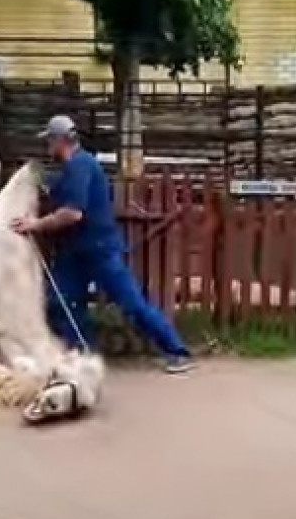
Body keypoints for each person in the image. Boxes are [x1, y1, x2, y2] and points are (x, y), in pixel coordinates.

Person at [10, 115, 194, 374]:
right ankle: (81, 354)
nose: (47, 146)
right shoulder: (71, 169)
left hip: (98, 250)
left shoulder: (79, 166)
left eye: (49, 140)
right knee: (59, 302)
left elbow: (73, 213)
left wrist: (35, 224)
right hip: (75, 252)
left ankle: (178, 353)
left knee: (131, 303)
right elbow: (59, 195)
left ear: (61, 140)